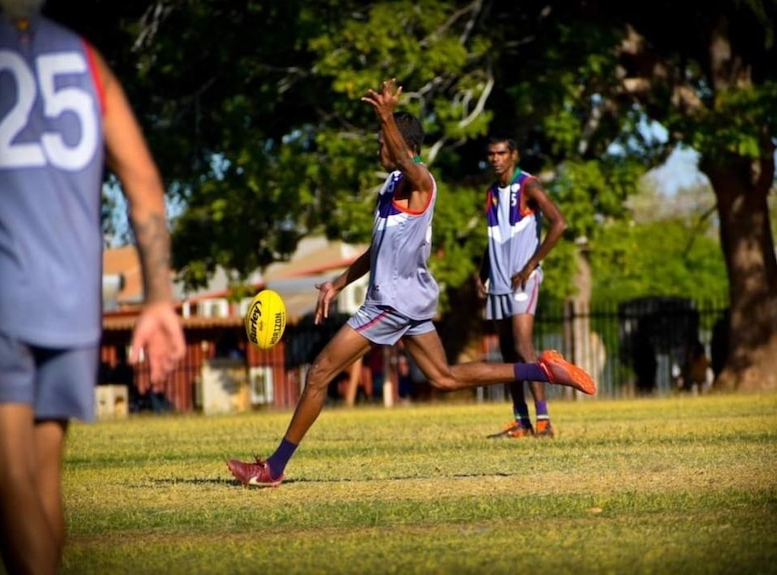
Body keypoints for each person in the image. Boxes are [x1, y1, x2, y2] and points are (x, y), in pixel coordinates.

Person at [226, 78, 596, 489]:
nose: (378, 150)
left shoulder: (422, 182)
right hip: (409, 300)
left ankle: (273, 469)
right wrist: (337, 283)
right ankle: (542, 370)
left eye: (382, 142)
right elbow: (376, 249)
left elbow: (404, 158)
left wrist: (385, 116)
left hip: (390, 303)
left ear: (399, 144)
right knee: (444, 377)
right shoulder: (389, 188)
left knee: (319, 373)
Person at [0, 3, 187, 574]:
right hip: (72, 303)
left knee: (7, 478)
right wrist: (159, 297)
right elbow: (145, 184)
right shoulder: (86, 59)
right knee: (40, 479)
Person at [475, 135, 568, 439]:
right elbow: (494, 239)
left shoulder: (528, 185)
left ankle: (544, 420)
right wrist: (482, 273)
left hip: (523, 279)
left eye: (501, 153)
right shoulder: (490, 193)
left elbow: (559, 223)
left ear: (513, 155)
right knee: (507, 354)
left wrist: (530, 266)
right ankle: (521, 421)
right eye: (491, 154)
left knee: (522, 345)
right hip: (499, 280)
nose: (495, 159)